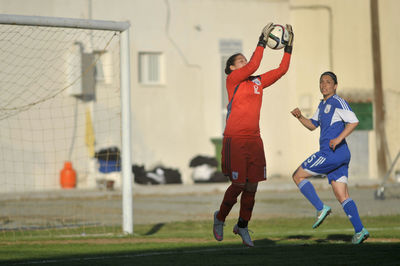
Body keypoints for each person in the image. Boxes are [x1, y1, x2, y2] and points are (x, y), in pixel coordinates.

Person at [213, 23, 294, 247]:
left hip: (254, 140)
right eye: (240, 60)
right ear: (230, 68)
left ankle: (242, 225)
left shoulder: (257, 82)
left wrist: (289, 47)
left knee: (252, 187)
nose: (245, 62)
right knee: (238, 185)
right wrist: (262, 39)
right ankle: (219, 217)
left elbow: (281, 70)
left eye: (244, 59)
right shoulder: (233, 80)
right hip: (235, 139)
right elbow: (255, 63)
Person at [290, 71, 369, 244]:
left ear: (335, 86)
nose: (324, 85)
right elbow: (312, 125)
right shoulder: (323, 105)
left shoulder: (338, 102)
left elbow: (354, 121)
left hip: (332, 153)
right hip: (338, 155)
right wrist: (300, 116)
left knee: (297, 176)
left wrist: (339, 138)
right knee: (342, 195)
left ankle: (321, 208)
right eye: (321, 82)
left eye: (328, 82)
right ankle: (360, 230)